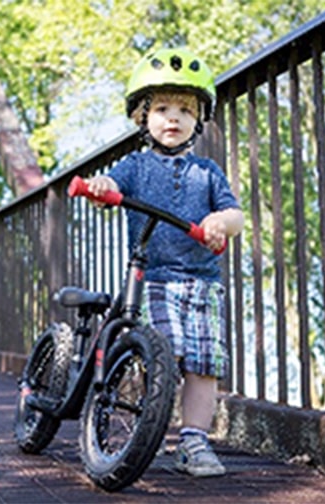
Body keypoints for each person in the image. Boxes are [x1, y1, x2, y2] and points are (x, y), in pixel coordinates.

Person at [86, 47, 244, 477]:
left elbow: (235, 214)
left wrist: (219, 222)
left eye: (184, 110)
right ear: (143, 117)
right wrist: (101, 186)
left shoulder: (207, 172)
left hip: (203, 282)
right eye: (160, 108)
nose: (172, 118)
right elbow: (110, 185)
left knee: (204, 364)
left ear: (197, 120)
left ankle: (194, 440)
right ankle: (144, 425)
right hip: (154, 278)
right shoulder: (135, 166)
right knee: (164, 350)